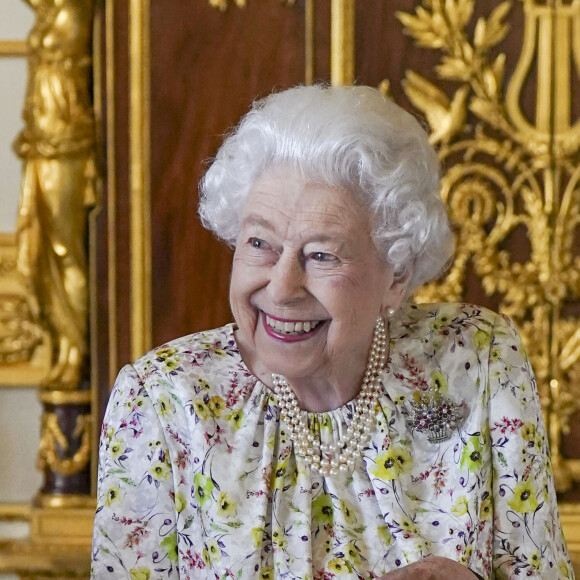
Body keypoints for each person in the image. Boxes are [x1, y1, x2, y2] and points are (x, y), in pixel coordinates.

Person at [91, 85, 573, 579]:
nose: (281, 288)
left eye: (322, 255)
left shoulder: (477, 361)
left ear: (397, 273)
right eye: (259, 243)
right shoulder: (165, 400)